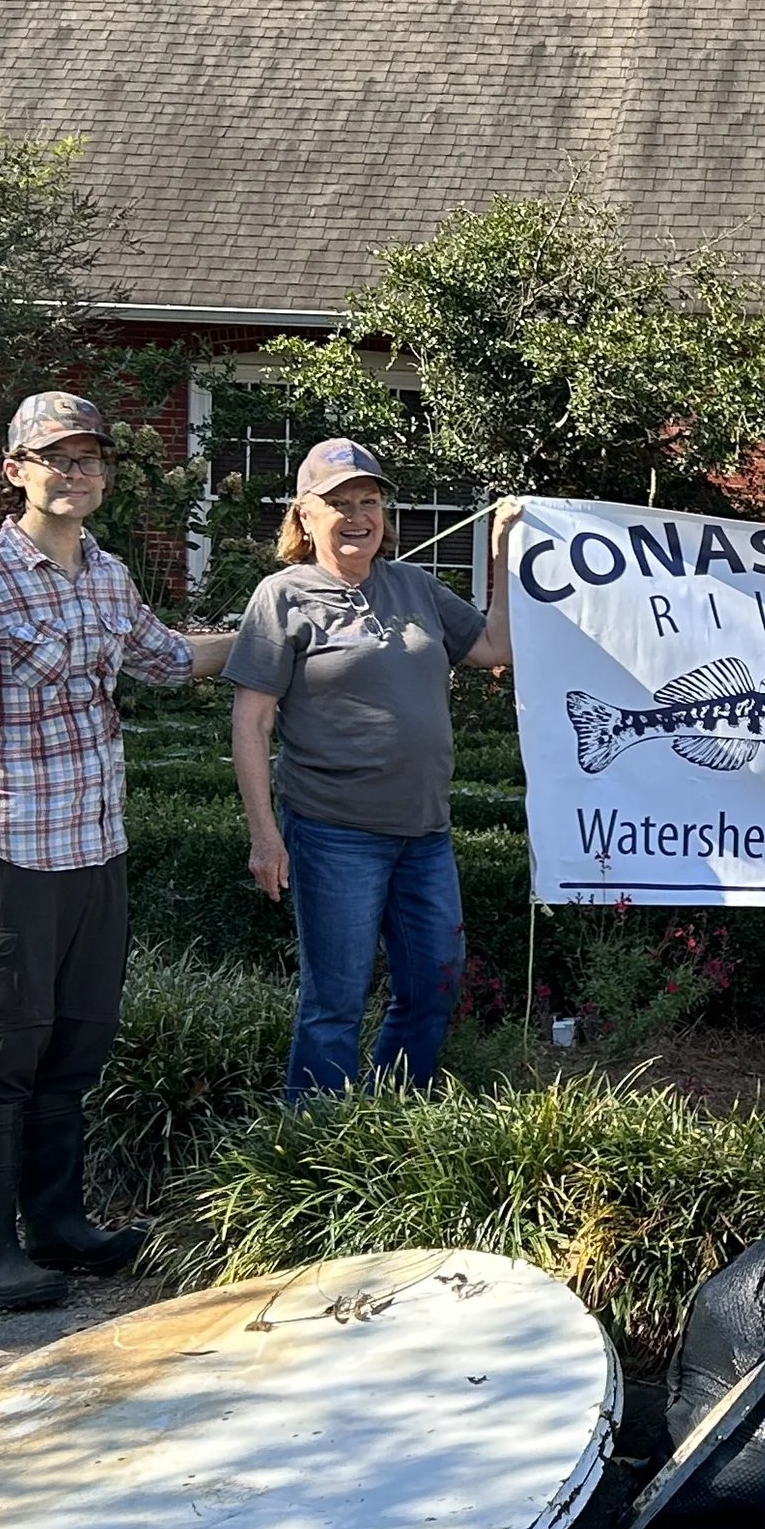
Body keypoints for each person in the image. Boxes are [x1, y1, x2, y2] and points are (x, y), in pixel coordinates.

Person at [0, 391, 239, 1309]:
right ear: (16, 470)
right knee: (2, 1051)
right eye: (55, 457)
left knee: (76, 1049)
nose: (75, 471)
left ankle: (56, 1224)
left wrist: (273, 627)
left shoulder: (106, 576)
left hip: (97, 849)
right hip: (11, 851)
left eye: (89, 457)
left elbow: (168, 658)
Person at [226, 440, 517, 1102]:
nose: (357, 515)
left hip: (425, 832)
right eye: (338, 503)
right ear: (305, 514)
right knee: (335, 997)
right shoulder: (283, 597)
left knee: (435, 982)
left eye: (368, 500)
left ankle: (389, 1113)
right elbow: (251, 723)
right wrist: (265, 837)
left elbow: (496, 647)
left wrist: (502, 553)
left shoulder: (415, 586)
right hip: (334, 832)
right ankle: (313, 1143)